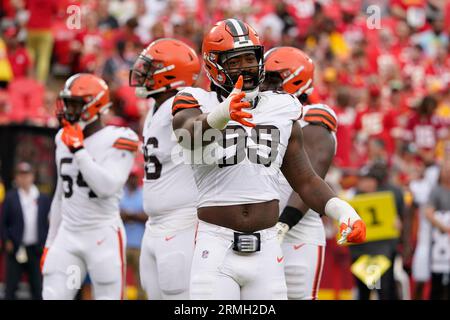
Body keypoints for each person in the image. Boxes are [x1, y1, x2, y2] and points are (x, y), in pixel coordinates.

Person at [172, 19, 366, 300]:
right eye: (235, 61)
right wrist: (222, 114)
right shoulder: (198, 101)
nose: (245, 68)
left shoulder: (280, 107)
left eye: (250, 58)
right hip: (215, 244)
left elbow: (306, 180)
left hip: (267, 247)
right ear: (214, 65)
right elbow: (187, 134)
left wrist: (343, 212)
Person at [41, 73, 139, 300]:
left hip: (102, 234)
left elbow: (108, 187)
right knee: (53, 295)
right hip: (68, 234)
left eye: (75, 104)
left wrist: (79, 151)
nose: (68, 110)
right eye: (67, 103)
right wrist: (50, 242)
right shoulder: (62, 139)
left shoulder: (119, 137)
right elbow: (60, 197)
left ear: (96, 106)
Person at [261, 46, 337, 300]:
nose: (264, 84)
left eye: (272, 78)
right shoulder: (255, 113)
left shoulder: (313, 119)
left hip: (296, 234)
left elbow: (309, 179)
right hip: (258, 230)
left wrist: (284, 223)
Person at [129, 38, 200, 299]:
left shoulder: (185, 103)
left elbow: (200, 126)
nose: (143, 72)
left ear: (170, 74)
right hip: (154, 224)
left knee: (181, 299)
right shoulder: (154, 108)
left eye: (152, 67)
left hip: (180, 221)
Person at [0, 162, 51, 300]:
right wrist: (7, 240)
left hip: (36, 249)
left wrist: (46, 242)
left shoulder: (43, 198)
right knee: (10, 287)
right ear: (16, 178)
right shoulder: (11, 197)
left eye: (27, 175)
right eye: (21, 175)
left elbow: (49, 223)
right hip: (17, 249)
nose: (24, 179)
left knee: (37, 287)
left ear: (32, 177)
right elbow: (3, 222)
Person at [424, 160, 450, 300]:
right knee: (438, 280)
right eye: (446, 169)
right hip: (441, 241)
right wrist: (444, 227)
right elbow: (428, 212)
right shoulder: (436, 190)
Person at [119, 167, 146, 300]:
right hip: (122, 244)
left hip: (139, 245)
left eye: (134, 177)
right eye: (130, 177)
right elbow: (116, 216)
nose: (132, 179)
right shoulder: (120, 193)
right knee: (119, 279)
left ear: (138, 178)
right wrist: (135, 215)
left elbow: (147, 216)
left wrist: (129, 215)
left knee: (141, 281)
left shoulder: (143, 193)